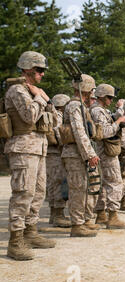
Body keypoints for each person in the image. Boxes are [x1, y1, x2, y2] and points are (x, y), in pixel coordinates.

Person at [4, 51, 57, 260]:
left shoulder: (35, 91)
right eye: (39, 70)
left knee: (38, 193)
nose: (42, 74)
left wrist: (47, 100)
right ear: (27, 69)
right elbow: (29, 117)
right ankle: (15, 242)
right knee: (23, 193)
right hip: (23, 148)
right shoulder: (17, 90)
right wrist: (38, 97)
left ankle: (30, 233)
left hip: (38, 148)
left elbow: (56, 122)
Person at [61, 74, 101, 237]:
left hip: (79, 153)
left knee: (84, 187)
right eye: (92, 89)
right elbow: (79, 132)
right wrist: (90, 154)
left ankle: (83, 221)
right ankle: (77, 225)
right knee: (78, 188)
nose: (92, 92)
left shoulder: (80, 106)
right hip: (75, 153)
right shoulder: (75, 106)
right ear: (86, 89)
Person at [90, 84, 125, 229]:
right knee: (115, 182)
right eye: (109, 97)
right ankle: (112, 216)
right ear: (101, 96)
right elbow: (105, 132)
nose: (111, 100)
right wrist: (119, 122)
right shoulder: (97, 111)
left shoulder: (100, 111)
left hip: (103, 151)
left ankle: (101, 215)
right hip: (105, 152)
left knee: (104, 184)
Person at [46, 94, 71, 227]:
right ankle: (58, 215)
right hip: (56, 153)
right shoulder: (57, 116)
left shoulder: (52, 113)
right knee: (58, 182)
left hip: (52, 153)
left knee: (53, 183)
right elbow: (59, 133)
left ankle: (54, 214)